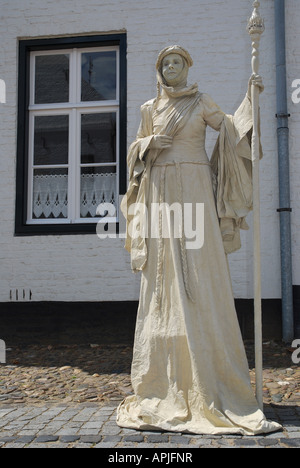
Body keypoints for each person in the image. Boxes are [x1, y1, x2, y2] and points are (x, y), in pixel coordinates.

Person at [117, 45, 281, 435]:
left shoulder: (201, 101)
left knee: (200, 266)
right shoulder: (147, 109)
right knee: (163, 276)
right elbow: (131, 158)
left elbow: (229, 128)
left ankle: (213, 378)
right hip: (159, 192)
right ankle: (165, 384)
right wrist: (146, 146)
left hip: (194, 189)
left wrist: (250, 99)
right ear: (159, 71)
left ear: (187, 67)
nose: (171, 67)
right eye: (165, 63)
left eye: (178, 62)